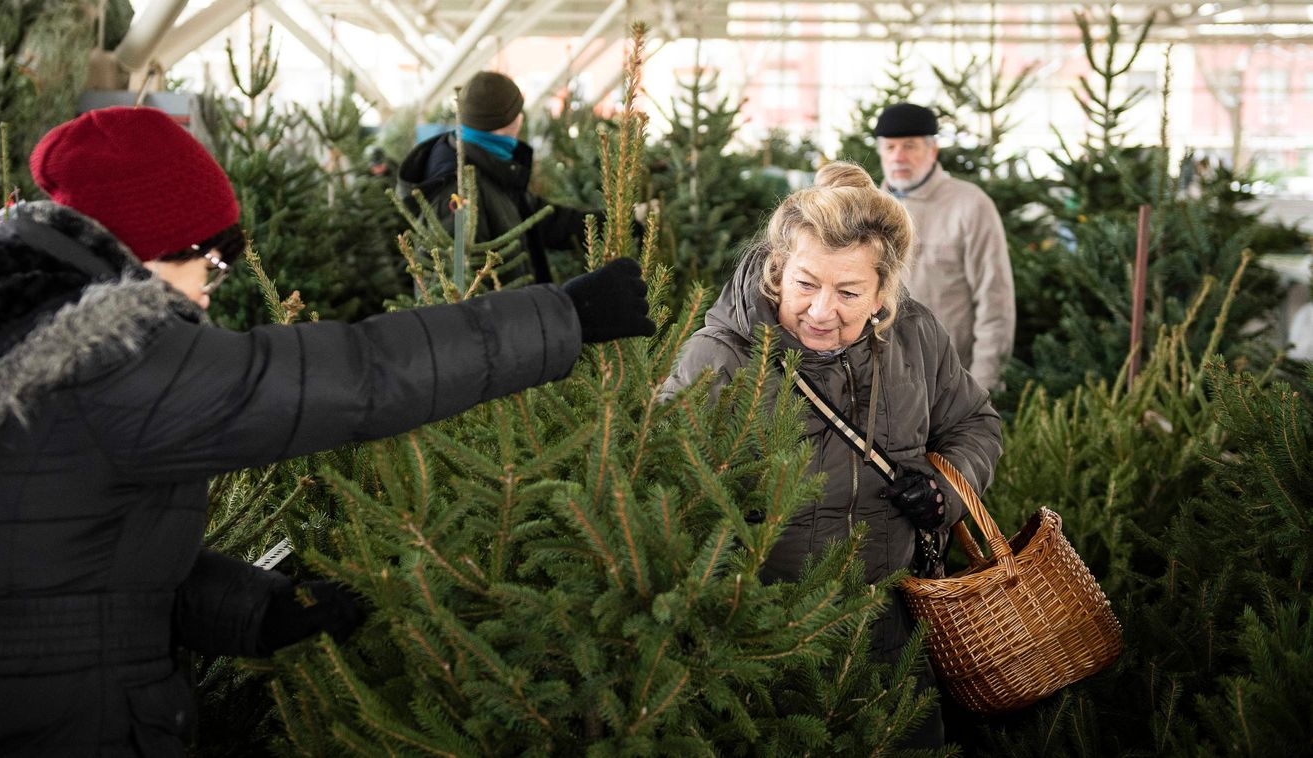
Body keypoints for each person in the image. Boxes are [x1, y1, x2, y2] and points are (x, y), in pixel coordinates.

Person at [0, 106, 654, 756]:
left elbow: (61, 569)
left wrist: (252, 611)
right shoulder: (105, 355)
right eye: (211, 258)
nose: (214, 284)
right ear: (147, 248)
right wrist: (562, 317)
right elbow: (356, 378)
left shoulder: (14, 315)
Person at [660, 161, 1002, 747]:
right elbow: (659, 475)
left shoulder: (916, 337)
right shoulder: (720, 357)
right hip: (764, 646)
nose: (821, 311)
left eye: (848, 292)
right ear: (777, 269)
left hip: (895, 637)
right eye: (805, 284)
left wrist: (944, 491)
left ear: (883, 290)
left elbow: (976, 424)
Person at [397, 70, 598, 285]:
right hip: (509, 317)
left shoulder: (491, 166)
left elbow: (541, 220)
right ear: (511, 121)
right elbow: (457, 293)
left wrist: (619, 218)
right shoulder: (458, 189)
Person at [874, 102, 1015, 392]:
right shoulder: (867, 208)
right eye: (890, 147)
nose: (898, 157)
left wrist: (981, 390)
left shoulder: (972, 205)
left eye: (910, 146)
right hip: (877, 384)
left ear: (932, 150)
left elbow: (995, 301)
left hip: (948, 385)